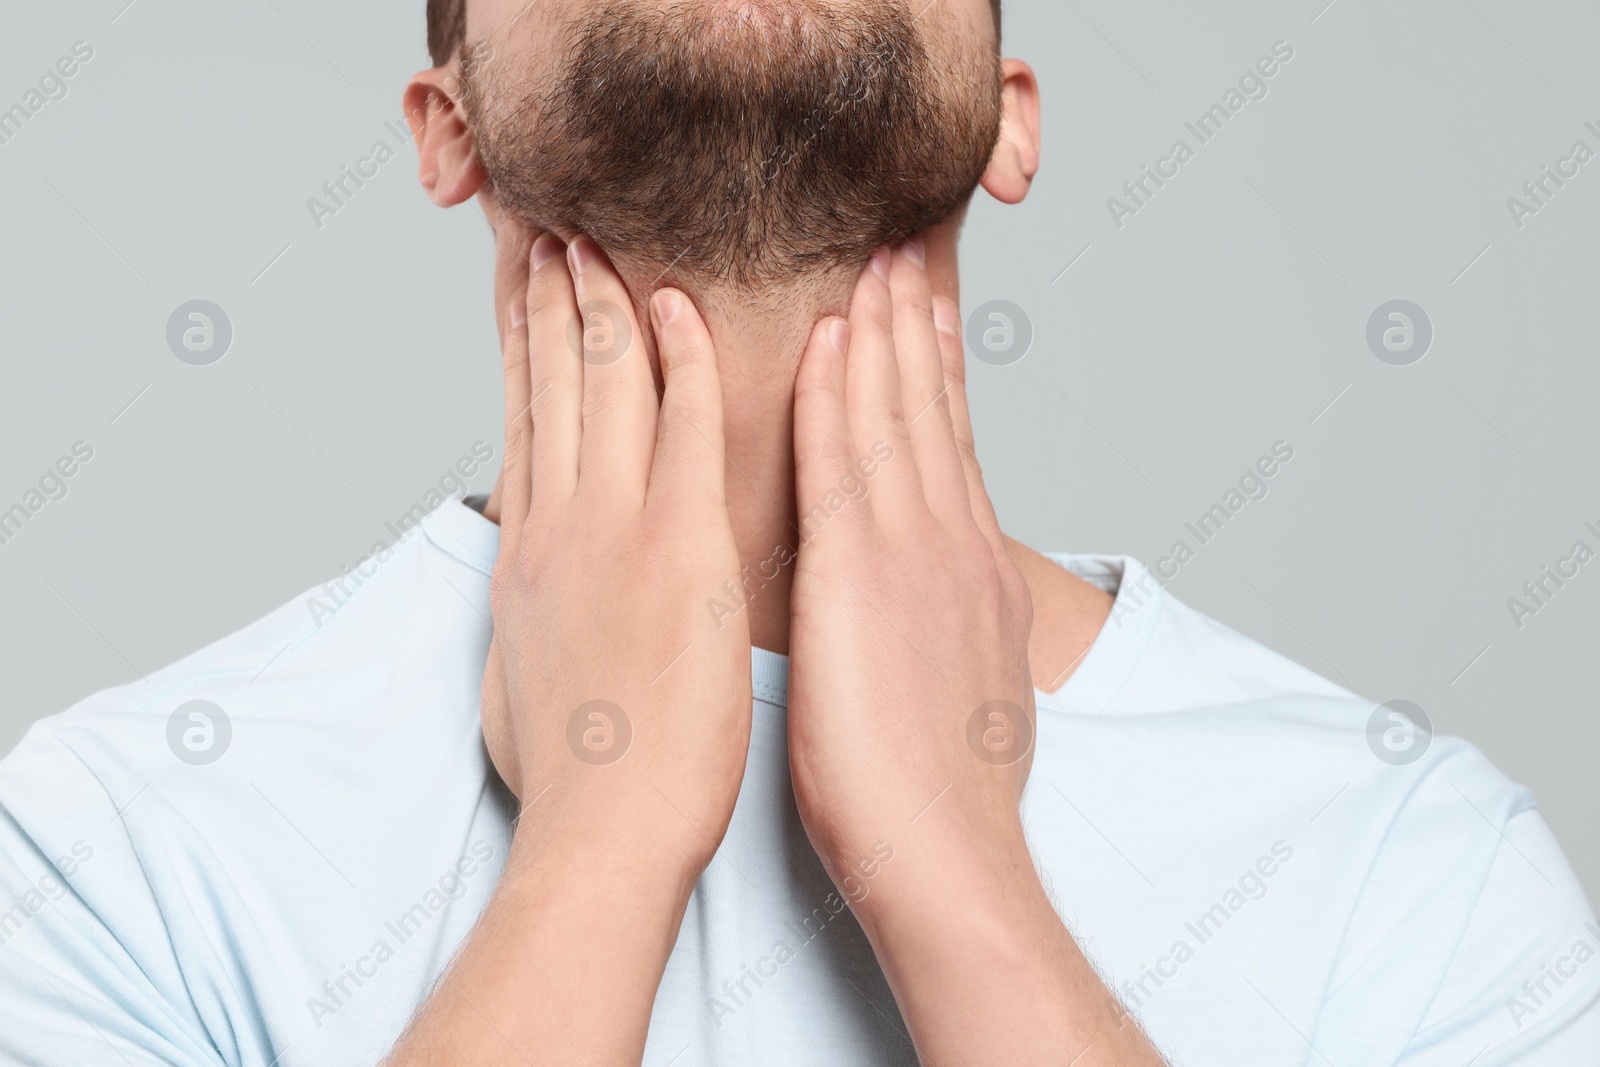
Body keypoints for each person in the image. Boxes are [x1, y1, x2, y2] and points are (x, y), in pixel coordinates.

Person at [1, 0, 1595, 1063]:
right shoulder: (100, 856)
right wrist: (598, 848)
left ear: (1011, 119)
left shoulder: (1415, 866)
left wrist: (956, 874)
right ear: (448, 126)